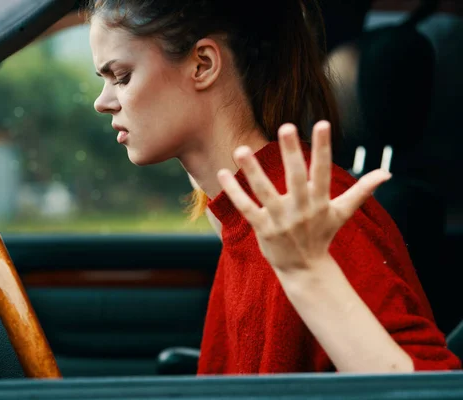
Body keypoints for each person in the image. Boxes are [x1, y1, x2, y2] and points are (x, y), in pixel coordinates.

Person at [83, 0, 461, 373]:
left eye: (121, 76)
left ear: (203, 65)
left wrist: (307, 271)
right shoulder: (240, 206)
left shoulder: (312, 214)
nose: (103, 102)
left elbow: (428, 387)